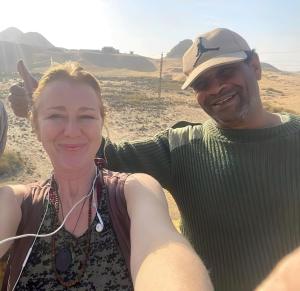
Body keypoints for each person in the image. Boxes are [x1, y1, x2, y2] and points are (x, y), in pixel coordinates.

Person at [8, 28, 300, 290]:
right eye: (202, 83)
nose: (215, 88)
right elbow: (101, 154)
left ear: (256, 66)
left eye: (226, 72)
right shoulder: (181, 146)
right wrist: (46, 113)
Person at [0, 62, 213, 291]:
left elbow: (164, 251)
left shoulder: (134, 191)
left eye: (86, 116)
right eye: (55, 115)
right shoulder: (16, 201)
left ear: (101, 123)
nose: (71, 130)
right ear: (36, 126)